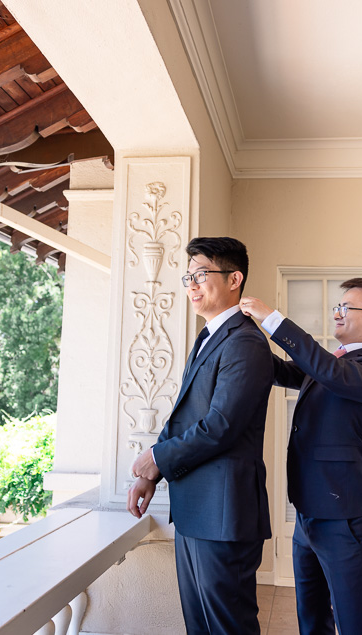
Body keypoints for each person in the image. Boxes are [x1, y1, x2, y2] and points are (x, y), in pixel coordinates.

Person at [240, 278, 362, 635]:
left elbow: (328, 372)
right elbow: (283, 370)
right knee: (311, 619)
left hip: (345, 517)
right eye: (337, 307)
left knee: (353, 622)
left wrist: (272, 319)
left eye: (346, 308)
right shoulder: (333, 364)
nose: (337, 314)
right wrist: (241, 340)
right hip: (308, 512)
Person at [128, 237, 273, 634]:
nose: (191, 284)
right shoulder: (209, 337)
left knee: (228, 627)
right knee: (200, 627)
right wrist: (151, 473)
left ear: (234, 279)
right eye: (187, 276)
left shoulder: (245, 342)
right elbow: (186, 417)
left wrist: (156, 458)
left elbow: (220, 426)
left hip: (225, 513)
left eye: (201, 274)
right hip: (196, 508)